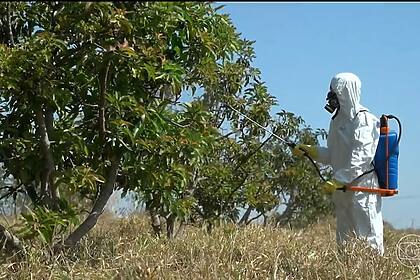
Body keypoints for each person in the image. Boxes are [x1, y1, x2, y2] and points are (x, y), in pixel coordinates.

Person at [292, 72, 384, 255]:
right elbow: (334, 155)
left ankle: (373, 271)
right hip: (342, 189)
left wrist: (340, 179)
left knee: (367, 233)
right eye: (332, 90)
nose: (332, 95)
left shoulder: (364, 119)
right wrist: (311, 151)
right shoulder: (336, 121)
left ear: (348, 91)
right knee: (345, 237)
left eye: (336, 90)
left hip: (362, 189)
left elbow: (361, 157)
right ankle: (347, 269)